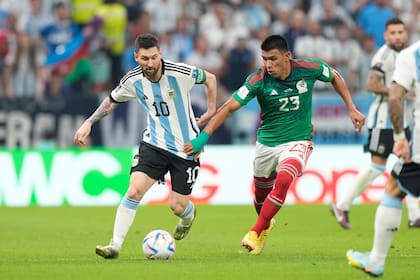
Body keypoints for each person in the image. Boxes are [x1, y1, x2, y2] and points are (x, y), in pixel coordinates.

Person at [183, 34, 365, 255]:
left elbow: (334, 75)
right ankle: (265, 224)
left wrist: (351, 107)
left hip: (298, 140)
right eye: (264, 59)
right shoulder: (258, 80)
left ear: (287, 56)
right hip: (267, 143)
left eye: (273, 59)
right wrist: (203, 137)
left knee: (285, 177)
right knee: (260, 197)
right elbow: (230, 107)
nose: (268, 64)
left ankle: (255, 230)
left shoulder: (309, 68)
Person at [73, 33, 217, 259]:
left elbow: (210, 78)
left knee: (178, 207)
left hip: (186, 149)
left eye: (153, 57)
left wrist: (210, 111)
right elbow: (111, 101)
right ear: (136, 57)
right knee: (134, 190)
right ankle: (115, 245)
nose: (150, 63)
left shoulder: (179, 72)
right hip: (154, 144)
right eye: (144, 58)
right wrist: (89, 123)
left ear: (160, 54)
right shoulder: (132, 80)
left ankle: (189, 216)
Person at [331, 18, 420, 230]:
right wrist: (401, 92)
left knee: (409, 164)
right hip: (383, 120)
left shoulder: (407, 55)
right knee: (377, 168)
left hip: (402, 121)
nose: (398, 36)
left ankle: (415, 216)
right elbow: (371, 84)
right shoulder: (384, 55)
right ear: (385, 36)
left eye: (401, 32)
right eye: (393, 33)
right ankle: (341, 204)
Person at [346, 39, 420, 277]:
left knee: (394, 187)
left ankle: (376, 261)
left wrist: (400, 137)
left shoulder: (410, 55)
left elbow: (396, 97)